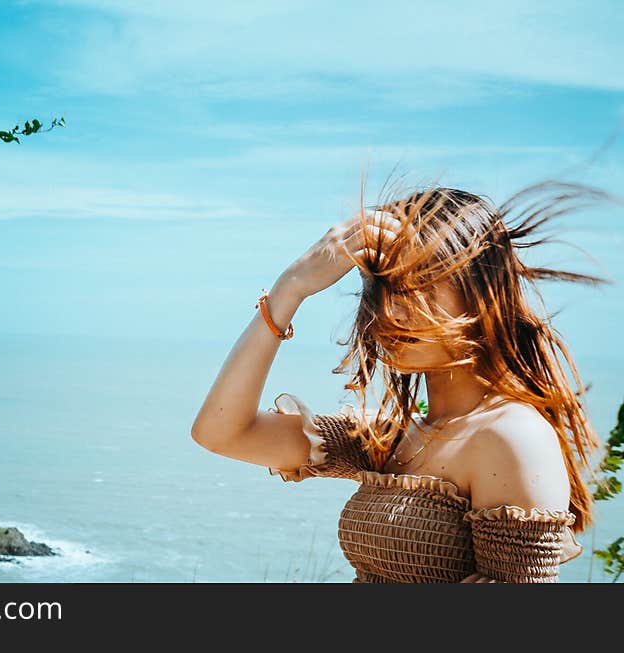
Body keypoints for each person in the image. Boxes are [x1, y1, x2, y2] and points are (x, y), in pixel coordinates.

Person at [190, 178, 614, 583]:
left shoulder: (511, 436)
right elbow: (223, 432)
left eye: (418, 285)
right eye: (381, 288)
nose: (390, 311)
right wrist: (290, 289)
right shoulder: (393, 435)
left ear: (481, 291)